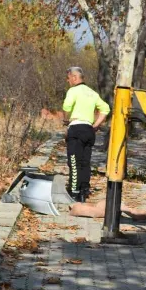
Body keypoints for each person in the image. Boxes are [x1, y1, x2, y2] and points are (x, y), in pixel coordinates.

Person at [62, 67, 110, 202]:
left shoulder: (73, 90)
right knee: (85, 162)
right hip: (89, 130)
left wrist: (66, 119)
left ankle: (74, 191)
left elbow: (66, 106)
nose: (68, 80)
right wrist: (95, 125)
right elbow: (105, 109)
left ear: (74, 77)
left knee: (74, 161)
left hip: (76, 129)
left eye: (69, 77)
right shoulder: (92, 93)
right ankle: (84, 191)